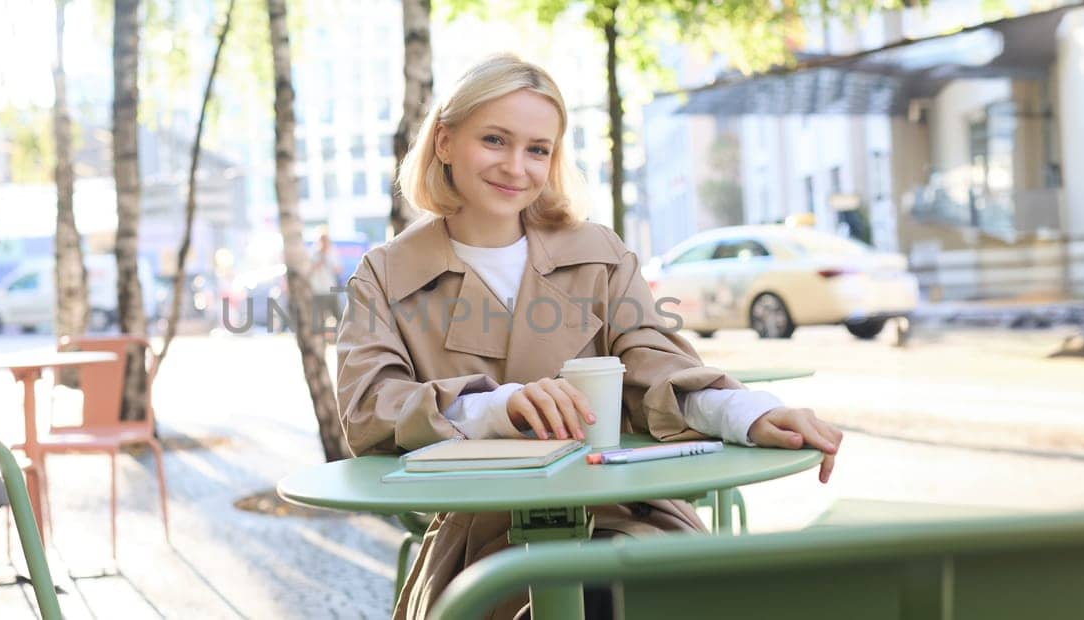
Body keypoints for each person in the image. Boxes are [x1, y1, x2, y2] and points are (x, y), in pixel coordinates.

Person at [334, 53, 842, 619]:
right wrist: (498, 407)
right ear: (446, 143)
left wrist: (747, 412)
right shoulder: (386, 272)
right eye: (495, 140)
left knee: (637, 592)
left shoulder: (598, 253)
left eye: (537, 149)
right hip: (481, 540)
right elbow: (369, 412)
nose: (516, 167)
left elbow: (654, 365)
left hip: (623, 514)